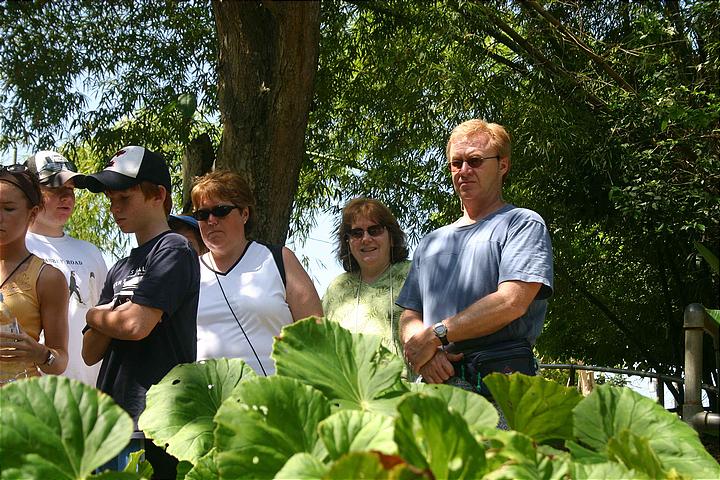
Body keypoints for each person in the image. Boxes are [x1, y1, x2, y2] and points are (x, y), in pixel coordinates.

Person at [397, 119, 553, 400]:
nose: (464, 171)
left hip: (501, 385)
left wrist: (435, 336)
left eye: (475, 161)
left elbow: (511, 302)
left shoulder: (522, 224)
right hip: (436, 386)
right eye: (456, 163)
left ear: (503, 165)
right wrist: (426, 354)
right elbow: (409, 314)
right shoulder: (432, 241)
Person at [79, 146, 200, 477]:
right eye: (110, 200)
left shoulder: (175, 249)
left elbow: (135, 325)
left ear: (158, 195)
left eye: (125, 198)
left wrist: (93, 315)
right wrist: (114, 316)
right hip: (111, 425)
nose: (114, 209)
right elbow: (90, 352)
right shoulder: (120, 267)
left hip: (156, 426)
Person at [191, 170, 323, 375]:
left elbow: (316, 332)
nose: (211, 220)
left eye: (221, 211)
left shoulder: (279, 259)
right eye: (202, 214)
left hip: (275, 396)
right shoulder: (189, 271)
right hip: (210, 400)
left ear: (245, 213)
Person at [24, 151, 108, 386]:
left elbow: (102, 320)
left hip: (85, 394)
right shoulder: (11, 248)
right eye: (55, 188)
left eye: (70, 190)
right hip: (23, 394)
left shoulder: (91, 253)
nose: (66, 197)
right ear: (29, 192)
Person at [1, 165, 69, 384]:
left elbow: (60, 360)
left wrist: (41, 354)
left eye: (8, 209)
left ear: (33, 213)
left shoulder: (47, 278)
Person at [322, 198, 411, 363]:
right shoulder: (337, 287)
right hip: (348, 386)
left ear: (391, 237)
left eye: (374, 230)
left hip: (405, 385)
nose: (366, 238)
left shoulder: (414, 275)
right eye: (357, 233)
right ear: (348, 242)